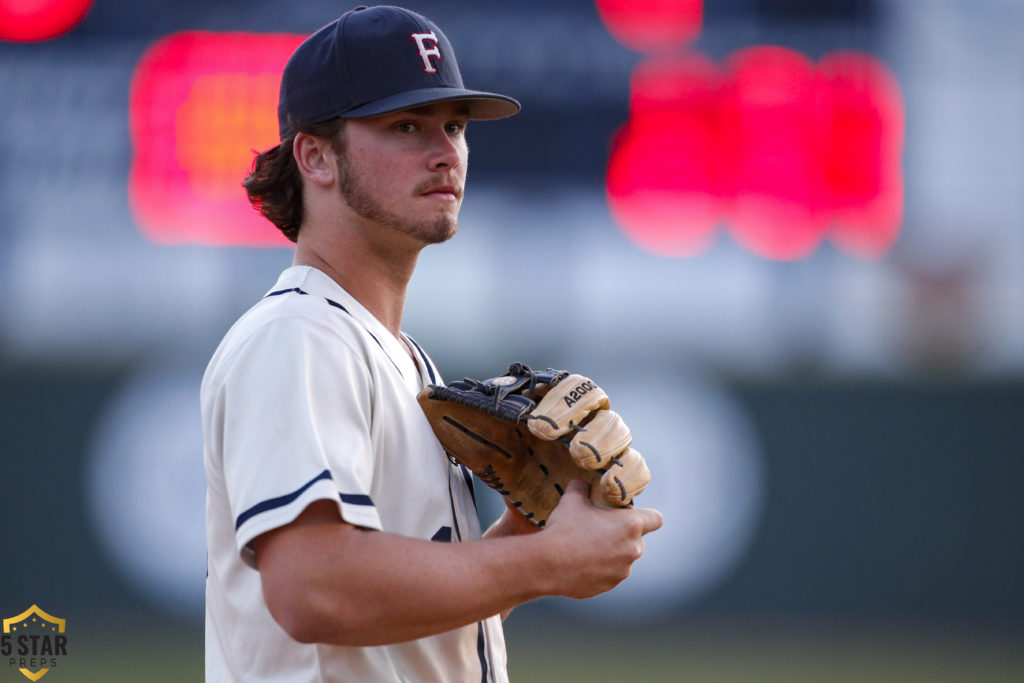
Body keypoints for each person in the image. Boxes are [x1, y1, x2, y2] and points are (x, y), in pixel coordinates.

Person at [201, 5, 663, 682]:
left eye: (452, 125)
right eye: (405, 125)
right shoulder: (297, 336)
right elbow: (313, 587)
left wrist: (527, 533)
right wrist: (545, 561)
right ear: (315, 156)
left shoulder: (397, 355)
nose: (444, 150)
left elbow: (405, 639)